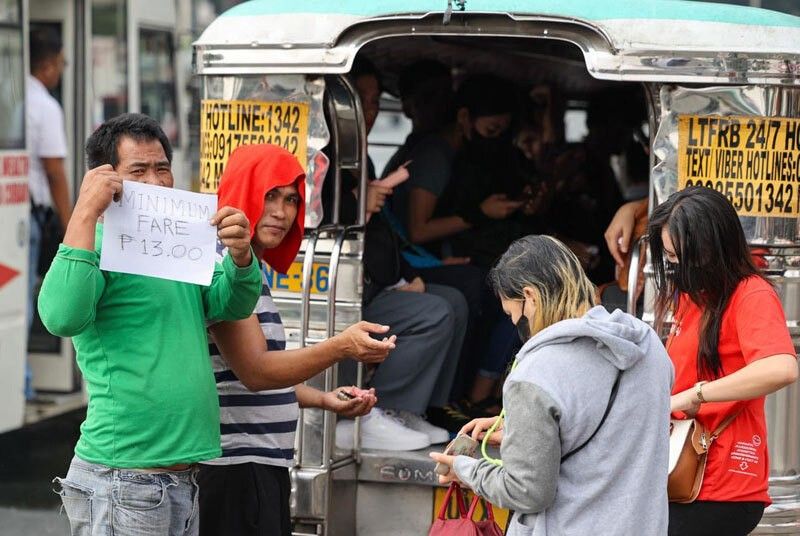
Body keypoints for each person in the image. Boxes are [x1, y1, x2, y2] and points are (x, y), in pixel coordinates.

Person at [39, 113, 264, 536]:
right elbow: (61, 317)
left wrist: (240, 258)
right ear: (106, 179)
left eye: (162, 168)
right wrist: (86, 211)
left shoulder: (180, 245)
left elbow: (229, 304)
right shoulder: (94, 244)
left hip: (179, 479)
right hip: (124, 478)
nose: (157, 181)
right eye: (138, 171)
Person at [199, 144, 392, 536]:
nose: (282, 212)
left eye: (291, 199)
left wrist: (324, 399)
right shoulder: (221, 265)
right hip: (234, 471)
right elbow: (255, 371)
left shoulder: (247, 267)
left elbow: (251, 375)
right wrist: (342, 346)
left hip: (258, 467)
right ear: (242, 192)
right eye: (269, 195)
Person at [431, 235, 674, 536]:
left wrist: (466, 471)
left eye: (511, 314)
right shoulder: (646, 343)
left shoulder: (535, 374)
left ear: (530, 297)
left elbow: (526, 491)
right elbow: (614, 433)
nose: (513, 323)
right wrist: (523, 432)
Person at [324, 58, 471, 446]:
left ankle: (413, 409)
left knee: (454, 301)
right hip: (343, 292)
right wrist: (358, 201)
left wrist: (407, 277)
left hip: (377, 281)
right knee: (435, 312)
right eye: (360, 100)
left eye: (375, 102)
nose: (368, 111)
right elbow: (320, 221)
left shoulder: (362, 158)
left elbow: (384, 237)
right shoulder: (321, 160)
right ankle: (375, 411)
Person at [648, 186, 799, 536]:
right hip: (685, 473)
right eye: (669, 257)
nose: (673, 267)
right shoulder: (694, 296)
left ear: (710, 249)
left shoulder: (751, 294)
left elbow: (781, 367)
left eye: (679, 257)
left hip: (723, 483)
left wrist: (695, 395)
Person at [26, 27, 72, 398]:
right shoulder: (44, 104)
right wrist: (74, 225)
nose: (61, 71)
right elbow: (55, 171)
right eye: (61, 63)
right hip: (30, 216)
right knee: (26, 300)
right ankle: (22, 386)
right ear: (48, 64)